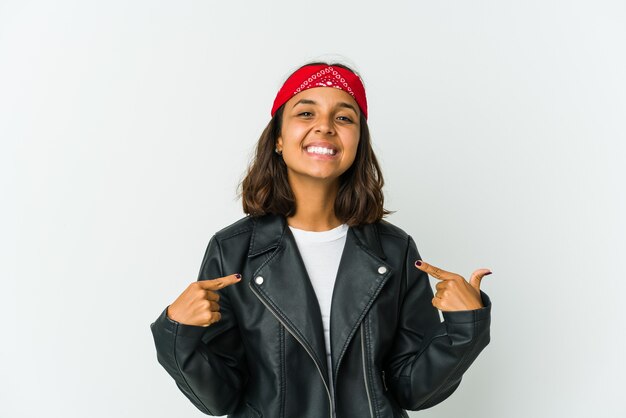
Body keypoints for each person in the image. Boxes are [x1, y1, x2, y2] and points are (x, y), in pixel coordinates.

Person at [150, 61, 492, 418]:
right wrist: (178, 331)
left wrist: (464, 328)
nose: (325, 126)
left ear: (359, 142)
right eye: (306, 112)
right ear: (279, 138)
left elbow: (412, 392)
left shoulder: (394, 249)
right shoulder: (232, 250)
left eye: (344, 118)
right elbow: (217, 399)